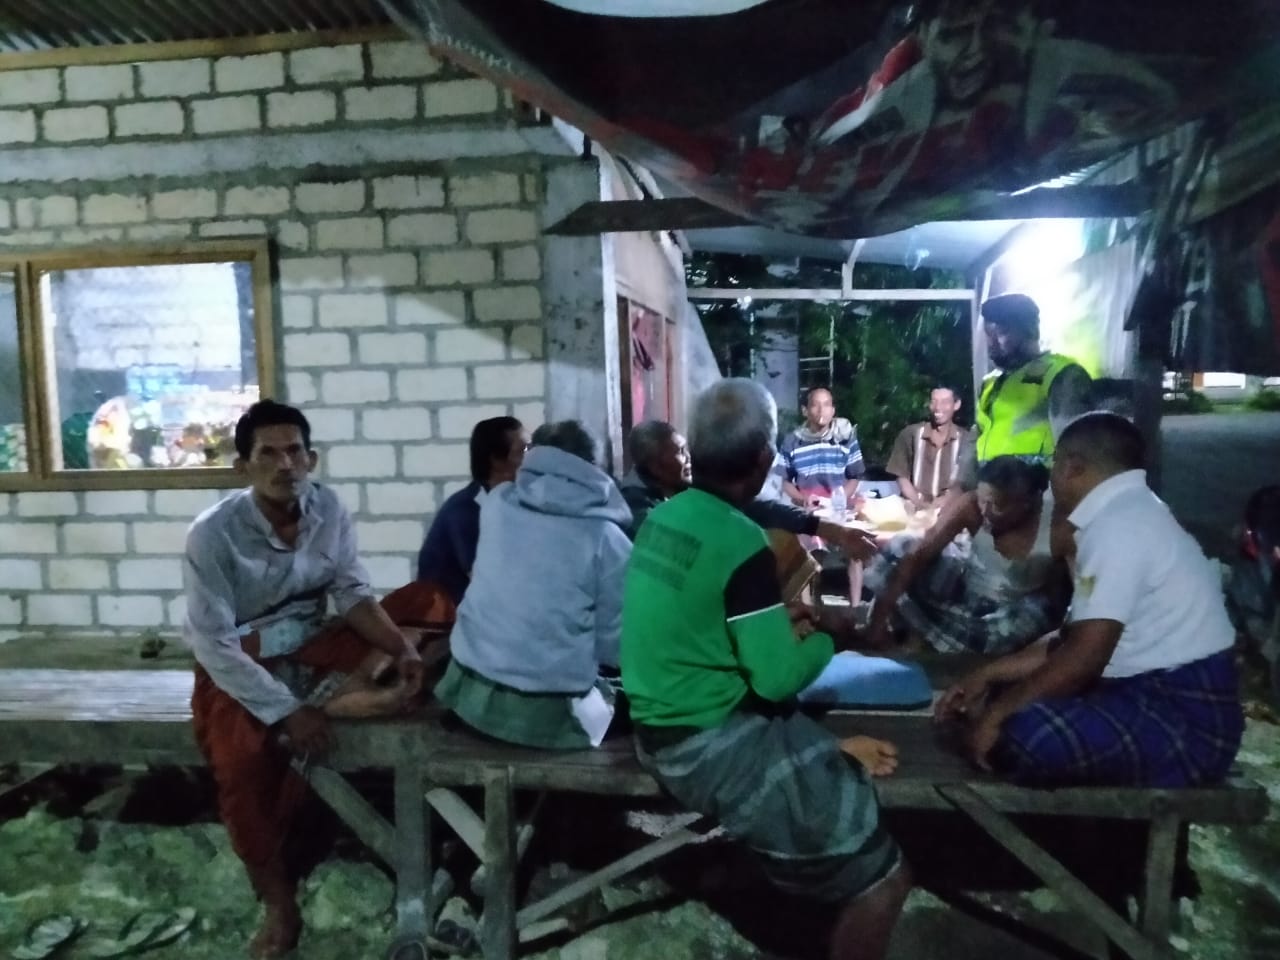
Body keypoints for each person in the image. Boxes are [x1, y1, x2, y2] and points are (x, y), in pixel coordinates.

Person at [621, 378, 910, 960]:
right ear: (763, 460)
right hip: (702, 746)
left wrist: (778, 625)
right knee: (886, 876)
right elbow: (776, 680)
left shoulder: (664, 518)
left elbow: (698, 623)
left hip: (650, 726)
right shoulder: (742, 543)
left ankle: (821, 767)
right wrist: (830, 636)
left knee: (811, 737)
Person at [184, 400, 454, 959]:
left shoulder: (327, 508)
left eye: (295, 452)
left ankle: (339, 694)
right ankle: (279, 904)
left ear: (312, 458)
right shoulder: (212, 535)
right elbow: (213, 644)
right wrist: (286, 710)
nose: (284, 465)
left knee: (431, 603)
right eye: (268, 454)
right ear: (242, 466)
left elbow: (351, 594)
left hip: (313, 642)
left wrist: (400, 647)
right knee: (240, 760)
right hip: (243, 662)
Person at [937, 413, 1244, 787]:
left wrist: (996, 715)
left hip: (1183, 717)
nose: (1050, 478)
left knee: (1024, 734)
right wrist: (987, 675)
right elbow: (1071, 639)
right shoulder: (1127, 511)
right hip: (1143, 691)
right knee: (1004, 697)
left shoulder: (1119, 527)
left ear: (1072, 467)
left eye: (1054, 463)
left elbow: (1084, 657)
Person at [435, 420, 632, 749]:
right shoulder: (606, 537)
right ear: (592, 467)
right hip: (544, 713)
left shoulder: (497, 503)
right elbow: (616, 643)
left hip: (468, 693)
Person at [863, 456, 1066, 655]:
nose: (985, 512)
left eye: (997, 506)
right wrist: (876, 625)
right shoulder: (971, 506)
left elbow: (1061, 594)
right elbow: (918, 554)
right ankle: (924, 636)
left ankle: (932, 641)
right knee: (904, 545)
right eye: (983, 501)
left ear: (1026, 504)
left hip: (1007, 612)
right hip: (965, 595)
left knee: (1029, 617)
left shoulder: (1057, 529)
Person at [619, 418, 877, 558]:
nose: (689, 458)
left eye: (687, 449)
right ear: (655, 466)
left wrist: (829, 529)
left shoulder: (684, 486)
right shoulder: (635, 512)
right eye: (679, 452)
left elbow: (753, 507)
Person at [973, 293, 1092, 470]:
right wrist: (960, 482)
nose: (992, 342)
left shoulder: (1061, 374)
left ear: (1029, 331)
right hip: (990, 484)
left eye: (1002, 332)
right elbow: (976, 437)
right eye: (989, 334)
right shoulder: (990, 383)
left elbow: (1075, 450)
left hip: (1038, 485)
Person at [416, 416, 527, 605]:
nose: (532, 457)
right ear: (496, 461)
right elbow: (486, 582)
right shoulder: (464, 511)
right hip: (450, 617)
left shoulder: (507, 503)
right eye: (523, 450)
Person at [885, 386, 975, 507]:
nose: (938, 407)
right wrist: (918, 503)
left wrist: (946, 500)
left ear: (956, 405)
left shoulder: (966, 440)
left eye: (945, 402)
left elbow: (965, 482)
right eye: (934, 401)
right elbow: (901, 476)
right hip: (913, 507)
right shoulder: (910, 434)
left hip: (950, 509)